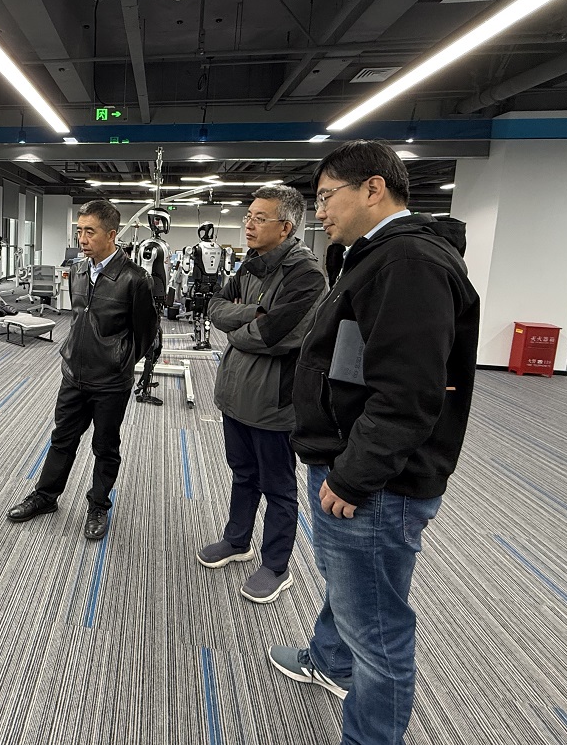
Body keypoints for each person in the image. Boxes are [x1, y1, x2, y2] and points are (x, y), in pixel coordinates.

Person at [268, 140, 479, 745]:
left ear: (373, 188)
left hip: (374, 483)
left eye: (326, 198)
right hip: (353, 460)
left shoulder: (408, 263)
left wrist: (353, 476)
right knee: (350, 583)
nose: (319, 213)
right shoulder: (376, 256)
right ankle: (329, 660)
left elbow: (408, 393)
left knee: (378, 630)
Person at [199, 185, 326, 603]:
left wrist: (241, 328)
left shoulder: (306, 275)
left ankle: (276, 565)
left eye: (259, 218)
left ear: (285, 227)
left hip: (274, 402)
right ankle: (237, 540)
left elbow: (274, 334)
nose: (248, 225)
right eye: (248, 216)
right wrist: (250, 315)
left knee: (278, 487)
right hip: (236, 393)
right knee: (243, 473)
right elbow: (215, 307)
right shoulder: (251, 263)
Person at [5, 199, 157, 540]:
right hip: (73, 374)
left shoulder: (135, 279)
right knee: (62, 438)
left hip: (111, 381)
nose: (82, 238)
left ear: (111, 235)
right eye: (79, 231)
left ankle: (98, 505)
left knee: (105, 447)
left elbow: (146, 333)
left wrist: (119, 362)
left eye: (90, 231)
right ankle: (46, 496)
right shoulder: (77, 269)